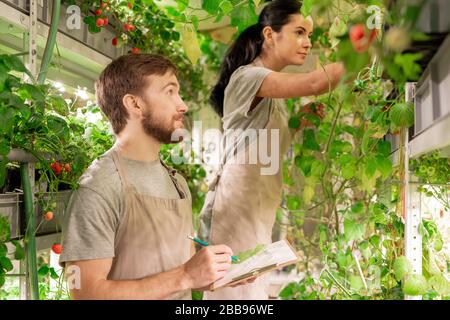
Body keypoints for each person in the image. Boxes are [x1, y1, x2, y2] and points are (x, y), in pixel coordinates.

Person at [200, 0, 346, 300]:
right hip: (236, 216)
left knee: (251, 294)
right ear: (270, 35)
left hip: (257, 214)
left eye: (309, 36)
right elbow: (316, 82)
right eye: (300, 32)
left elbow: (260, 141)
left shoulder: (269, 90)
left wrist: (296, 124)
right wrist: (364, 48)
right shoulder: (248, 76)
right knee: (235, 299)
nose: (307, 43)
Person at [59, 54, 236, 300]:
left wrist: (217, 274)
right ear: (135, 104)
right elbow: (86, 294)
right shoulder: (99, 187)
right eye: (170, 92)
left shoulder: (177, 182)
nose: (182, 104)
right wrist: (185, 275)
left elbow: (177, 272)